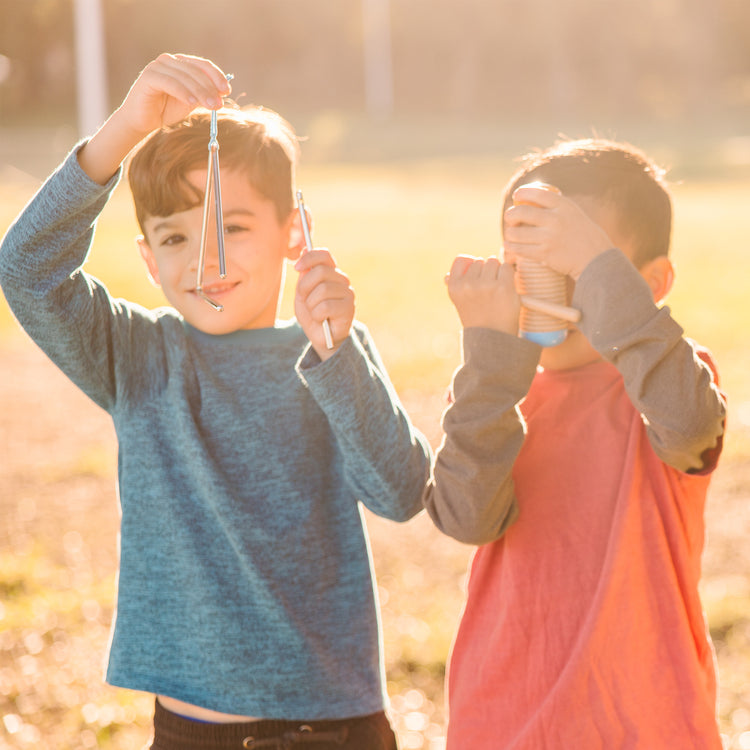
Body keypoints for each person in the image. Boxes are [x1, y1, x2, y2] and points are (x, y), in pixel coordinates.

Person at [0, 53, 431, 750]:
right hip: (191, 731)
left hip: (334, 730)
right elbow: (25, 267)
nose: (206, 264)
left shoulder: (329, 352)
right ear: (148, 258)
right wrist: (128, 126)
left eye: (231, 227)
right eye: (176, 238)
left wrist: (335, 354)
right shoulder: (137, 356)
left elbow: (402, 492)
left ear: (294, 233)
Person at [422, 138, 727, 749]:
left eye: (577, 270)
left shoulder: (666, 383)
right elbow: (465, 517)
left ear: (649, 283)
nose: (551, 293)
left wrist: (598, 268)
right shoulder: (498, 395)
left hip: (645, 726)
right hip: (502, 724)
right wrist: (490, 361)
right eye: (532, 266)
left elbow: (691, 426)